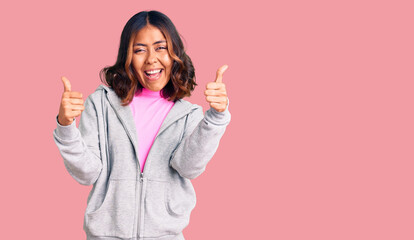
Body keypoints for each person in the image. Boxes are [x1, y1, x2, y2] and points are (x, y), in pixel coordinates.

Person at [52, 10, 230, 240]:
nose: (151, 59)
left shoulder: (188, 115)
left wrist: (216, 116)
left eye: (160, 47)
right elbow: (87, 173)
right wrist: (66, 126)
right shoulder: (101, 104)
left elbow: (188, 167)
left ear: (174, 53)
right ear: (127, 56)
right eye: (139, 50)